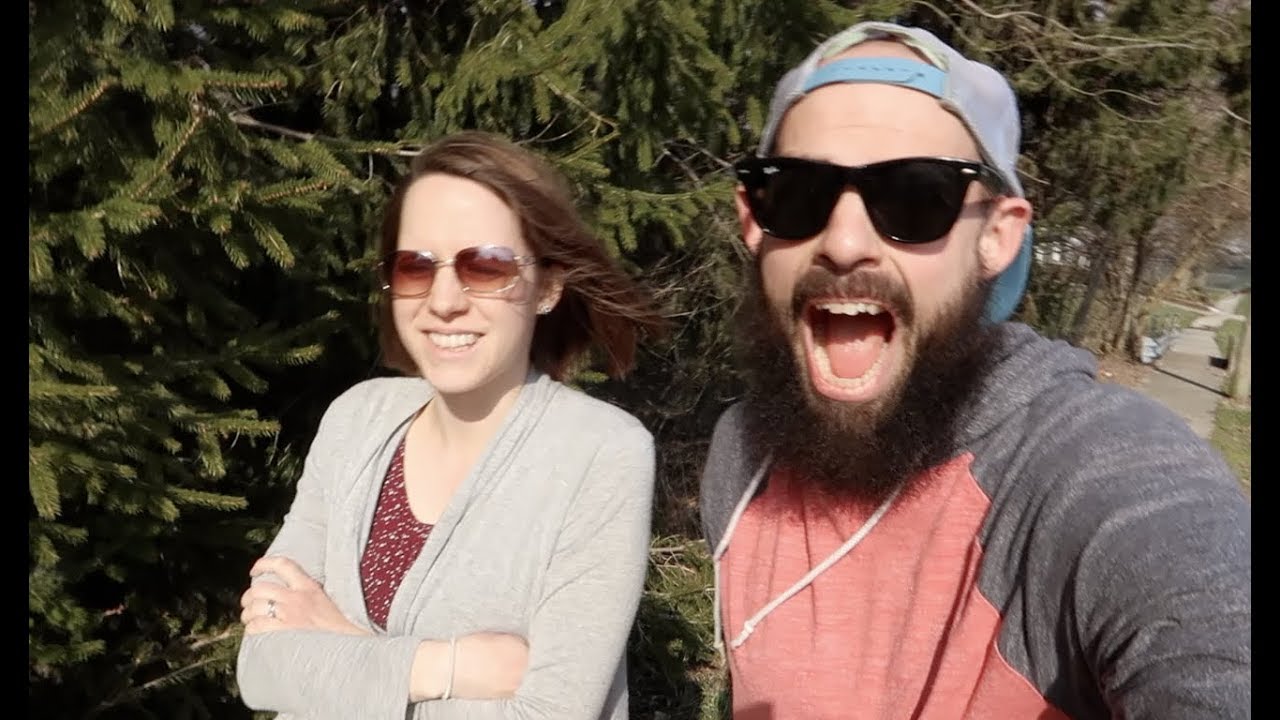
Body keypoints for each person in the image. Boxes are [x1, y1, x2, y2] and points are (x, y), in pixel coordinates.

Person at [699, 20, 1250, 720]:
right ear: (753, 221)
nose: (843, 242)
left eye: (915, 197)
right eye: (799, 194)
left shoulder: (1085, 466)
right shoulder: (741, 456)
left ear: (996, 235)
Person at [235, 130, 665, 719]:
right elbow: (261, 669)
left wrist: (336, 649)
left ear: (548, 286)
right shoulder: (357, 420)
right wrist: (448, 667)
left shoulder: (601, 453)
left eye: (485, 266)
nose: (443, 301)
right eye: (415, 267)